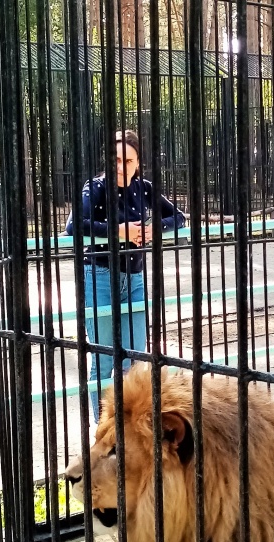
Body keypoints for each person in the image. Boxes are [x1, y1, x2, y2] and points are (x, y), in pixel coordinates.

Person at [66, 130, 186, 420]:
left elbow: (179, 217)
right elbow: (74, 226)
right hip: (100, 276)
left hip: (134, 279)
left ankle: (130, 428)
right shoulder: (95, 187)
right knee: (104, 359)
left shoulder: (143, 188)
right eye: (116, 160)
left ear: (138, 162)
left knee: (135, 359)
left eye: (128, 161)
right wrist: (119, 231)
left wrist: (154, 228)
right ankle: (104, 429)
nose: (121, 167)